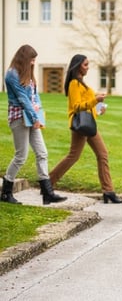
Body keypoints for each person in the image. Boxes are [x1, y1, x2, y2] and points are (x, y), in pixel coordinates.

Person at [49, 54, 122, 204]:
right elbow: (77, 107)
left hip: (89, 124)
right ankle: (47, 183)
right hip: (80, 126)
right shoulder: (74, 84)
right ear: (77, 66)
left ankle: (108, 191)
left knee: (103, 154)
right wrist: (96, 99)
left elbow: (86, 105)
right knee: (73, 156)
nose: (88, 67)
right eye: (85, 65)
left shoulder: (82, 83)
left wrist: (98, 108)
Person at [2, 45, 67, 205]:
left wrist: (38, 109)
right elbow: (23, 98)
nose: (33, 63)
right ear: (24, 59)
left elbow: (34, 95)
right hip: (19, 117)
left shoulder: (28, 74)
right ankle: (6, 192)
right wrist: (35, 116)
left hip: (31, 117)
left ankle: (47, 193)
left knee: (42, 153)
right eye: (31, 60)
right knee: (21, 156)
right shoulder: (12, 74)